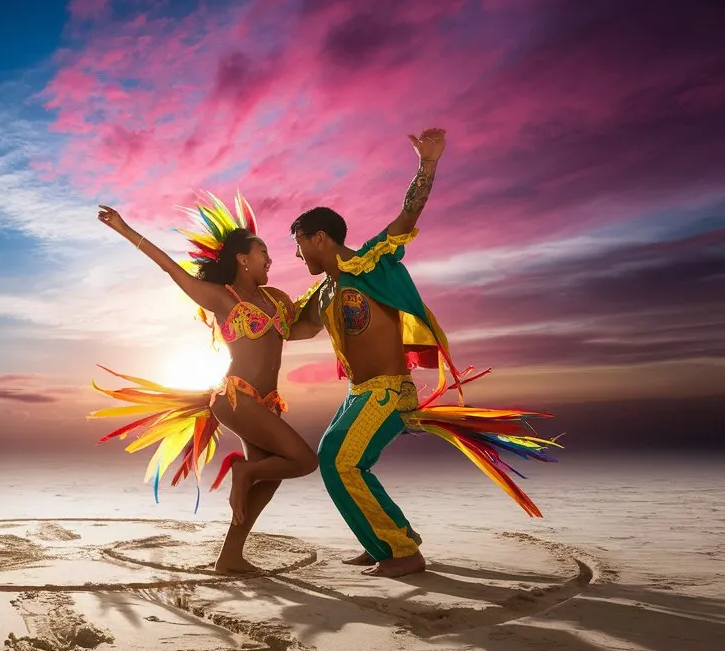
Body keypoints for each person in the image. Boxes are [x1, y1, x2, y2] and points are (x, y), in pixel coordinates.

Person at [277, 127, 561, 578]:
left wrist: (426, 164)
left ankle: (402, 552)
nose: (295, 255)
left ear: (319, 238)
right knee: (345, 465)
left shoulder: (370, 262)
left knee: (337, 459)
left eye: (297, 243)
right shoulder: (323, 292)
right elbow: (293, 330)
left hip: (388, 392)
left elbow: (407, 217)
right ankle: (384, 540)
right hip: (358, 394)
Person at [89, 192, 321, 574]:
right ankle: (242, 472)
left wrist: (339, 280)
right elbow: (170, 268)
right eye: (264, 254)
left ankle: (229, 557)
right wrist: (124, 228)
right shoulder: (220, 297)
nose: (270, 260)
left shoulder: (277, 299)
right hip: (235, 397)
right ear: (243, 260)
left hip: (265, 403)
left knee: (273, 477)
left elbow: (304, 328)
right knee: (302, 460)